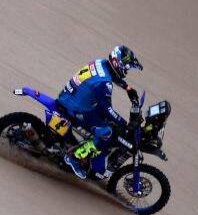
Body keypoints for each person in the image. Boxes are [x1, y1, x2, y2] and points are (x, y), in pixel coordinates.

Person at [56, 45, 143, 179]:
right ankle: (74, 157)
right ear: (118, 64)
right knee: (107, 132)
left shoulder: (101, 62)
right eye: (126, 67)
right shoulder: (104, 83)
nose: (127, 71)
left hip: (73, 97)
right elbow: (107, 110)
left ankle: (85, 144)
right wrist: (125, 125)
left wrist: (127, 88)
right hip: (76, 107)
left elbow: (112, 75)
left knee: (107, 121)